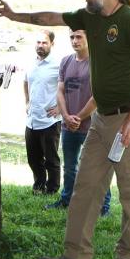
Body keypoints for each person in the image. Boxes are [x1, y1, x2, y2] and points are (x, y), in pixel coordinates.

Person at [0, 0, 130, 259]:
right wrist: (15, 15)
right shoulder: (88, 18)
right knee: (85, 187)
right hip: (100, 120)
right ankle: (75, 258)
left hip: (127, 118)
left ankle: (128, 254)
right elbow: (51, 17)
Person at [46, 30, 112, 216]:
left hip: (93, 126)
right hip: (69, 125)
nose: (75, 41)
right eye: (71, 37)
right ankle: (67, 199)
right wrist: (66, 116)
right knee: (69, 166)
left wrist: (79, 117)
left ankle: (103, 206)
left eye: (79, 37)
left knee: (97, 168)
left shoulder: (99, 62)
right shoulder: (66, 61)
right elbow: (60, 91)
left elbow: (98, 95)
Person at [24, 30, 62, 195]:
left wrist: (60, 108)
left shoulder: (58, 64)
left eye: (44, 42)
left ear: (52, 44)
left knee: (51, 160)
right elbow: (25, 81)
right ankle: (39, 185)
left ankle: (52, 189)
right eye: (38, 42)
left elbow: (67, 88)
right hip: (32, 120)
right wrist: (26, 101)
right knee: (33, 158)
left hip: (50, 121)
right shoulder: (30, 62)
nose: (40, 46)